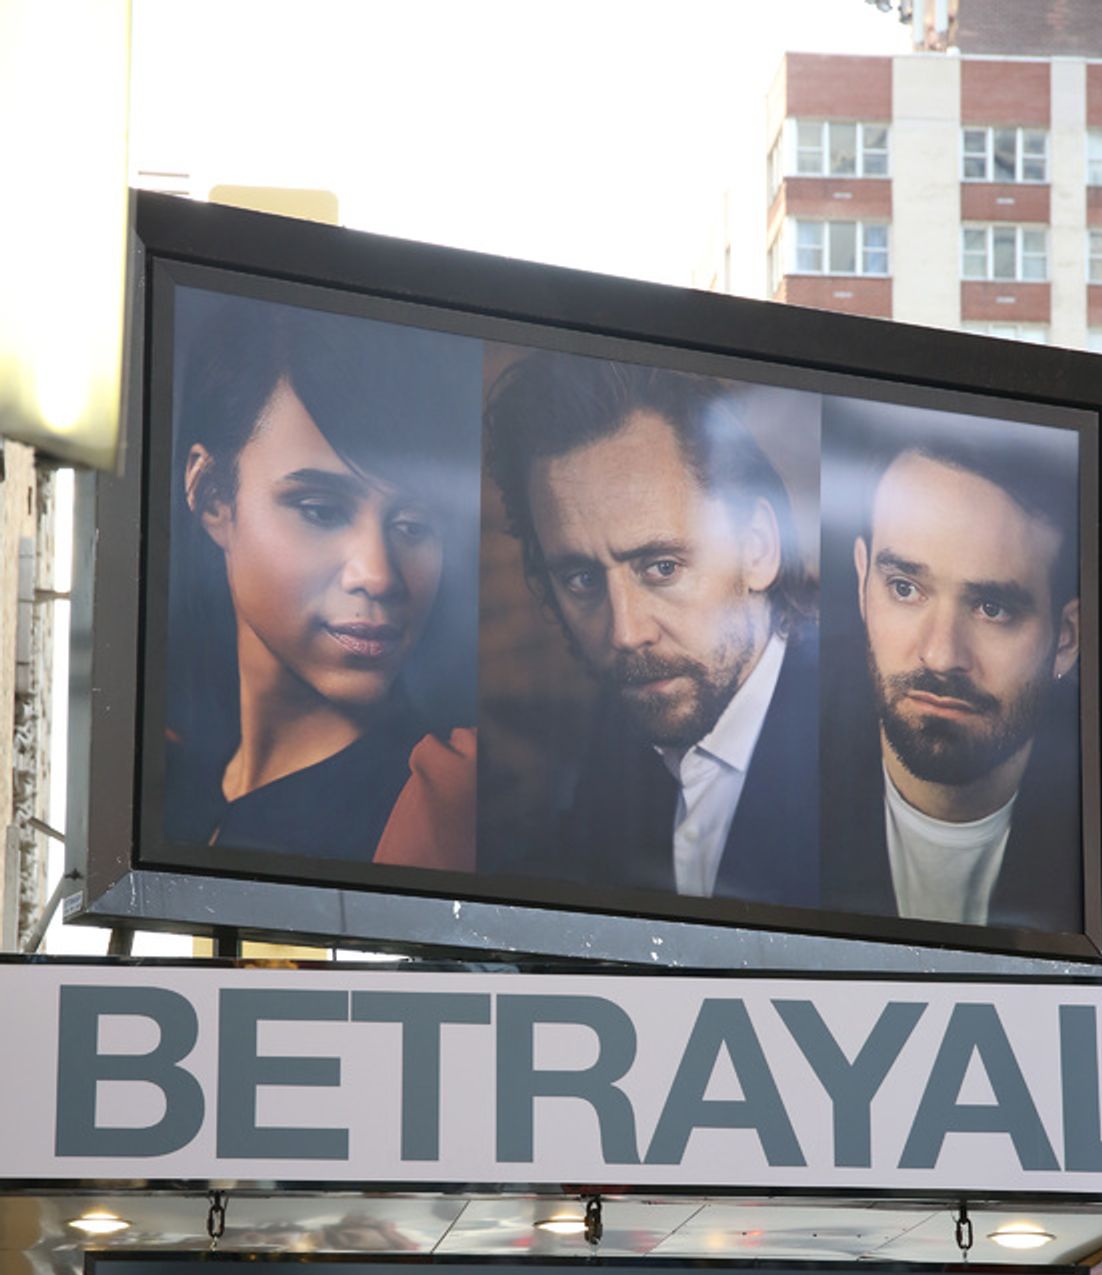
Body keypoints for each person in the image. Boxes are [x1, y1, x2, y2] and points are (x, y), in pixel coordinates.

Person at [160, 292, 482, 872]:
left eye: (414, 524)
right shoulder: (160, 772)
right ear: (211, 497)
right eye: (321, 510)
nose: (378, 576)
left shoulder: (440, 805)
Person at [484, 352, 819, 906]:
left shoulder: (859, 758)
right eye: (582, 579)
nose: (625, 632)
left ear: (758, 548)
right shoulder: (625, 725)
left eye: (662, 567)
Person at [822, 412, 1082, 932]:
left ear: (1066, 640)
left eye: (992, 608)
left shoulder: (1098, 823)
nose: (941, 656)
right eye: (905, 589)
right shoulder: (791, 779)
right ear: (861, 583)